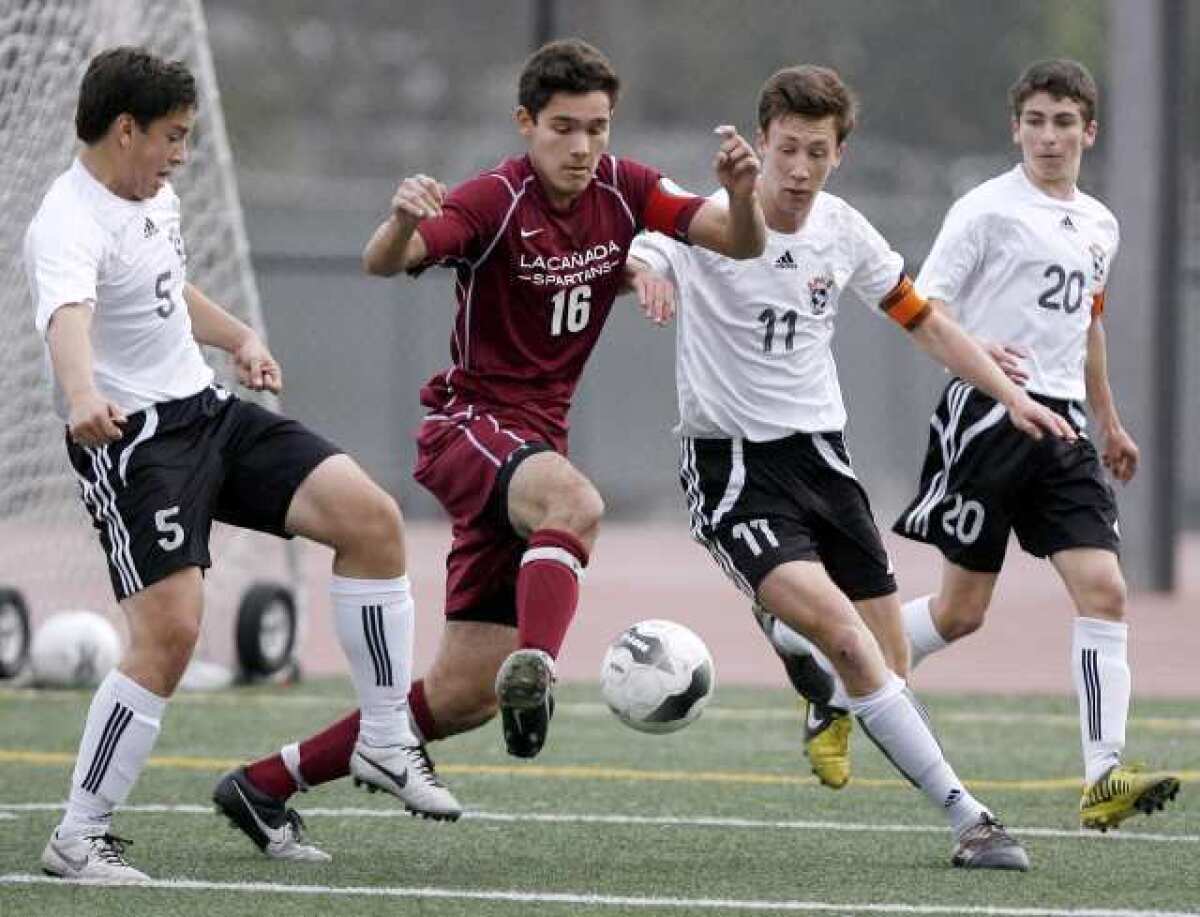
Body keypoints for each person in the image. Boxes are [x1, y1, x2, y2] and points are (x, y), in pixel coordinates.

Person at [216, 37, 765, 857]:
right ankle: (538, 672)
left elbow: (741, 241)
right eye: (564, 128)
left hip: (532, 446)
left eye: (598, 128)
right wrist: (402, 217)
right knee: (575, 502)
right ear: (526, 123)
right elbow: (383, 261)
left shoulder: (627, 186)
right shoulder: (494, 198)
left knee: (464, 693)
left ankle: (263, 783)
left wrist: (743, 194)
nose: (583, 147)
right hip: (468, 424)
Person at [626, 65, 1081, 870]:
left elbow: (924, 321)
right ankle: (972, 819)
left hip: (826, 465)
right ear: (760, 143)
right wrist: (648, 275)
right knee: (843, 632)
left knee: (887, 663)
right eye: (788, 149)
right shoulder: (701, 222)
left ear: (839, 153)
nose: (800, 169)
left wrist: (1008, 391)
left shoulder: (841, 228)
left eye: (818, 152)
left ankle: (821, 689)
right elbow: (647, 255)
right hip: (735, 471)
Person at [25, 47, 458, 882]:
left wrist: (239, 337)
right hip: (135, 441)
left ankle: (381, 734)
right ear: (126, 131)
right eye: (172, 137)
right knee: (172, 633)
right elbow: (68, 317)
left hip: (209, 413)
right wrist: (82, 396)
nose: (181, 154)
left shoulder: (152, 195)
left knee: (370, 519)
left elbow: (164, 287)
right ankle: (78, 835)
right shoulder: (66, 223)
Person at [890, 59, 1180, 830]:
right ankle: (845, 675)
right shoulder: (985, 210)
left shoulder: (1100, 224)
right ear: (1015, 128)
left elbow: (1087, 325)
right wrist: (983, 348)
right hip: (987, 416)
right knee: (960, 612)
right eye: (1036, 122)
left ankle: (1103, 775)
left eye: (1064, 122)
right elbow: (927, 308)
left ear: (1090, 131)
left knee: (1105, 590)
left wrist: (1109, 421)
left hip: (1062, 427)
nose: (1049, 137)